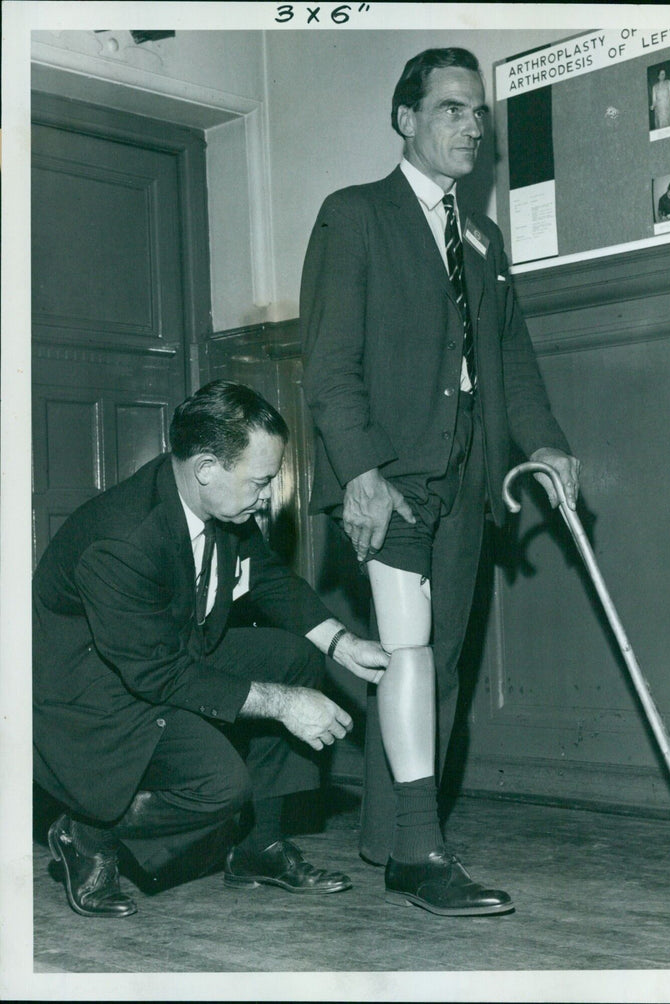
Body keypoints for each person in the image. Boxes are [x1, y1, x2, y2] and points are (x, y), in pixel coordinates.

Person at [300, 47, 580, 917]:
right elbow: (329, 366)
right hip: (391, 475)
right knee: (412, 650)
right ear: (405, 119)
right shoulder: (354, 216)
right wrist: (362, 474)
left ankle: (390, 836)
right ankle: (423, 850)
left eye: (479, 113)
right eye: (452, 109)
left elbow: (509, 356)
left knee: (436, 664)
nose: (472, 125)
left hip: (469, 478)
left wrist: (546, 443)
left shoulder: (483, 236)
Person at [33, 380, 389, 918]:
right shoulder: (123, 541)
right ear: (205, 469)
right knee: (221, 786)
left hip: (163, 656)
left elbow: (266, 578)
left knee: (293, 659)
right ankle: (87, 833)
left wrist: (341, 644)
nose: (269, 495)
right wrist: (286, 705)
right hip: (93, 699)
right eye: (261, 481)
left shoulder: (218, 504)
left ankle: (258, 849)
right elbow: (159, 677)